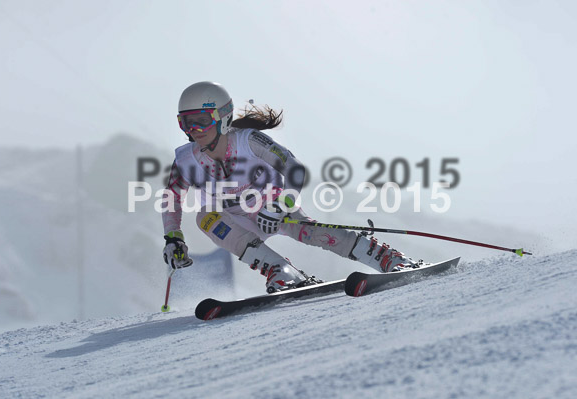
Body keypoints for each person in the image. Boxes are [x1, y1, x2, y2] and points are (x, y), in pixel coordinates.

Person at [162, 81, 419, 293]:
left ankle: (385, 257)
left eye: (201, 121)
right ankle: (281, 271)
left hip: (275, 209)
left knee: (310, 232)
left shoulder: (249, 141)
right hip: (238, 220)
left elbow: (295, 169)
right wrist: (173, 238)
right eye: (186, 123)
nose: (194, 130)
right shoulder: (186, 159)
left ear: (222, 117)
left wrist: (278, 206)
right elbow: (172, 198)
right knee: (205, 216)